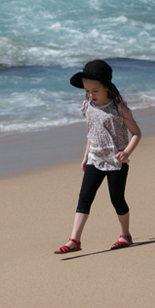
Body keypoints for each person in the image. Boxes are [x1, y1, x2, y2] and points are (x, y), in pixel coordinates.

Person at [54, 59, 142, 254]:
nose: (91, 95)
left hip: (116, 162)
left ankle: (125, 235)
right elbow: (92, 133)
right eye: (87, 91)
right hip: (95, 159)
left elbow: (137, 133)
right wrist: (86, 155)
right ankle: (74, 240)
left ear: (107, 88)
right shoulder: (88, 106)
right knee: (84, 198)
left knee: (117, 198)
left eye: (95, 90)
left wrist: (126, 153)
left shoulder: (118, 109)